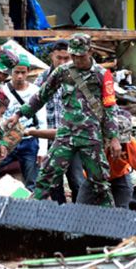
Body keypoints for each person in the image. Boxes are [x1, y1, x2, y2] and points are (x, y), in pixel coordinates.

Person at [6, 33, 121, 207]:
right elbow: (41, 96)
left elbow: (110, 107)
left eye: (79, 56)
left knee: (99, 182)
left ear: (90, 51)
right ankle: (32, 212)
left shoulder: (102, 75)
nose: (75, 59)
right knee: (47, 175)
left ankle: (110, 221)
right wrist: (19, 114)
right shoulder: (63, 71)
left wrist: (113, 137)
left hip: (90, 136)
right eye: (72, 55)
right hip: (66, 134)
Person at [35, 40, 84, 204]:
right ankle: (61, 218)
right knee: (54, 184)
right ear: (52, 56)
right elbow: (34, 105)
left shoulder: (77, 80)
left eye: (66, 59)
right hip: (50, 141)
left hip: (72, 140)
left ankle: (80, 217)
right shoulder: (41, 80)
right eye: (59, 58)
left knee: (77, 181)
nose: (62, 62)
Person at [0, 54, 47, 190]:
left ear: (28, 72)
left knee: (32, 181)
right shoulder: (2, 90)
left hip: (29, 139)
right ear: (11, 72)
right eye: (16, 72)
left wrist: (42, 149)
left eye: (23, 72)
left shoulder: (35, 92)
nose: (19, 76)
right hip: (8, 138)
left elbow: (42, 121)